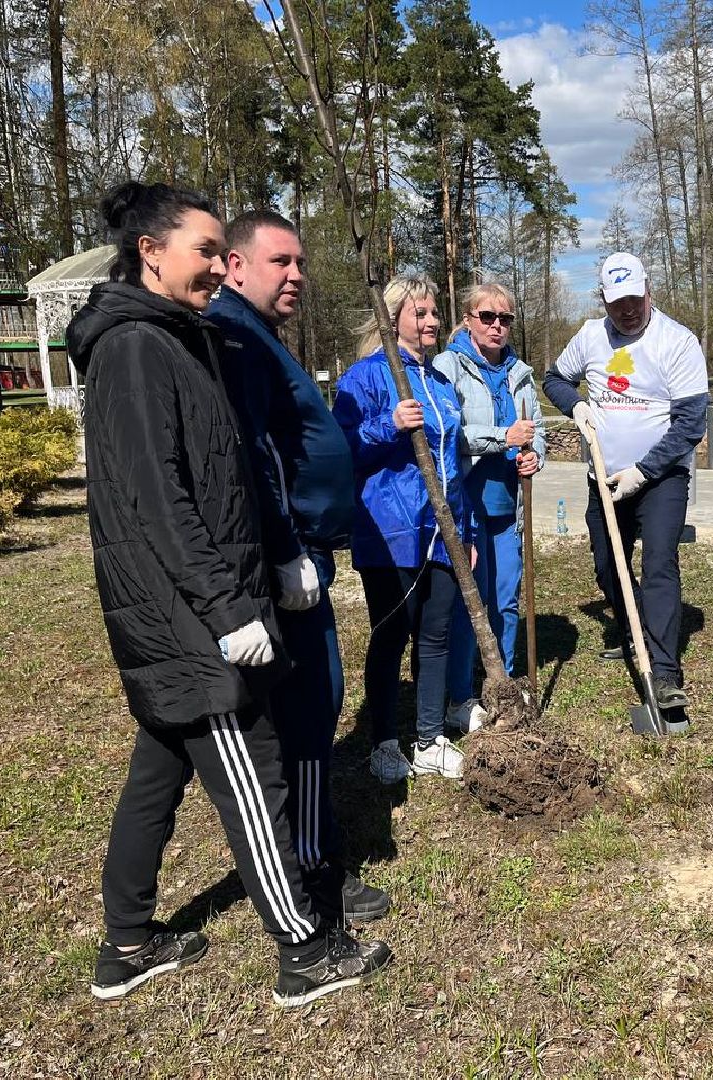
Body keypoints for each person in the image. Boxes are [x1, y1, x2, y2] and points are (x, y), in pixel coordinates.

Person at [68, 181, 389, 1007]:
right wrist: (228, 608)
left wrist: (273, 557)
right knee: (258, 776)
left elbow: (231, 471)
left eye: (220, 252)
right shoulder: (136, 349)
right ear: (151, 252)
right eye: (205, 251)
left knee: (158, 770)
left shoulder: (180, 338)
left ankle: (128, 943)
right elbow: (158, 499)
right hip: (187, 613)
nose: (217, 266)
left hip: (200, 600)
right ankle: (305, 951)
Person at [206, 209, 389, 926]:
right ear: (235, 265)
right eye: (280, 262)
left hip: (305, 551)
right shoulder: (237, 338)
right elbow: (254, 458)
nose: (297, 276)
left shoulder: (258, 335)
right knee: (312, 711)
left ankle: (311, 855)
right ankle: (314, 869)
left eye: (301, 263)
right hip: (288, 557)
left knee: (313, 707)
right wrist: (286, 550)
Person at [543, 252, 709, 710]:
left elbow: (691, 421)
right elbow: (554, 379)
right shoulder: (590, 336)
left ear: (648, 289)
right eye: (618, 303)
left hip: (661, 479)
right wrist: (573, 405)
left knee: (659, 563)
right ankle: (632, 624)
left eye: (635, 299)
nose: (628, 310)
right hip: (603, 477)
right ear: (604, 300)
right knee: (606, 565)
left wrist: (644, 470)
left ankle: (663, 671)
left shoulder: (677, 341)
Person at [333, 275, 474, 783]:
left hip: (441, 532)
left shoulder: (439, 381)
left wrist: (467, 532)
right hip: (390, 531)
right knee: (391, 635)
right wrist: (385, 424)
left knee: (435, 635)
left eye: (435, 312)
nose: (433, 321)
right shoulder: (365, 377)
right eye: (421, 313)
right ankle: (385, 743)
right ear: (393, 319)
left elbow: (453, 465)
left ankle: (431, 737)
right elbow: (341, 449)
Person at [433, 282, 544, 729]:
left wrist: (536, 456)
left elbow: (535, 431)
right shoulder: (447, 367)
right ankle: (460, 694)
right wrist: (503, 438)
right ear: (467, 320)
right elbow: (448, 434)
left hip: (506, 506)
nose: (497, 326)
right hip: (466, 504)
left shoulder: (521, 372)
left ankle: (504, 680)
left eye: (506, 319)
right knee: (467, 601)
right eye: (487, 317)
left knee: (505, 599)